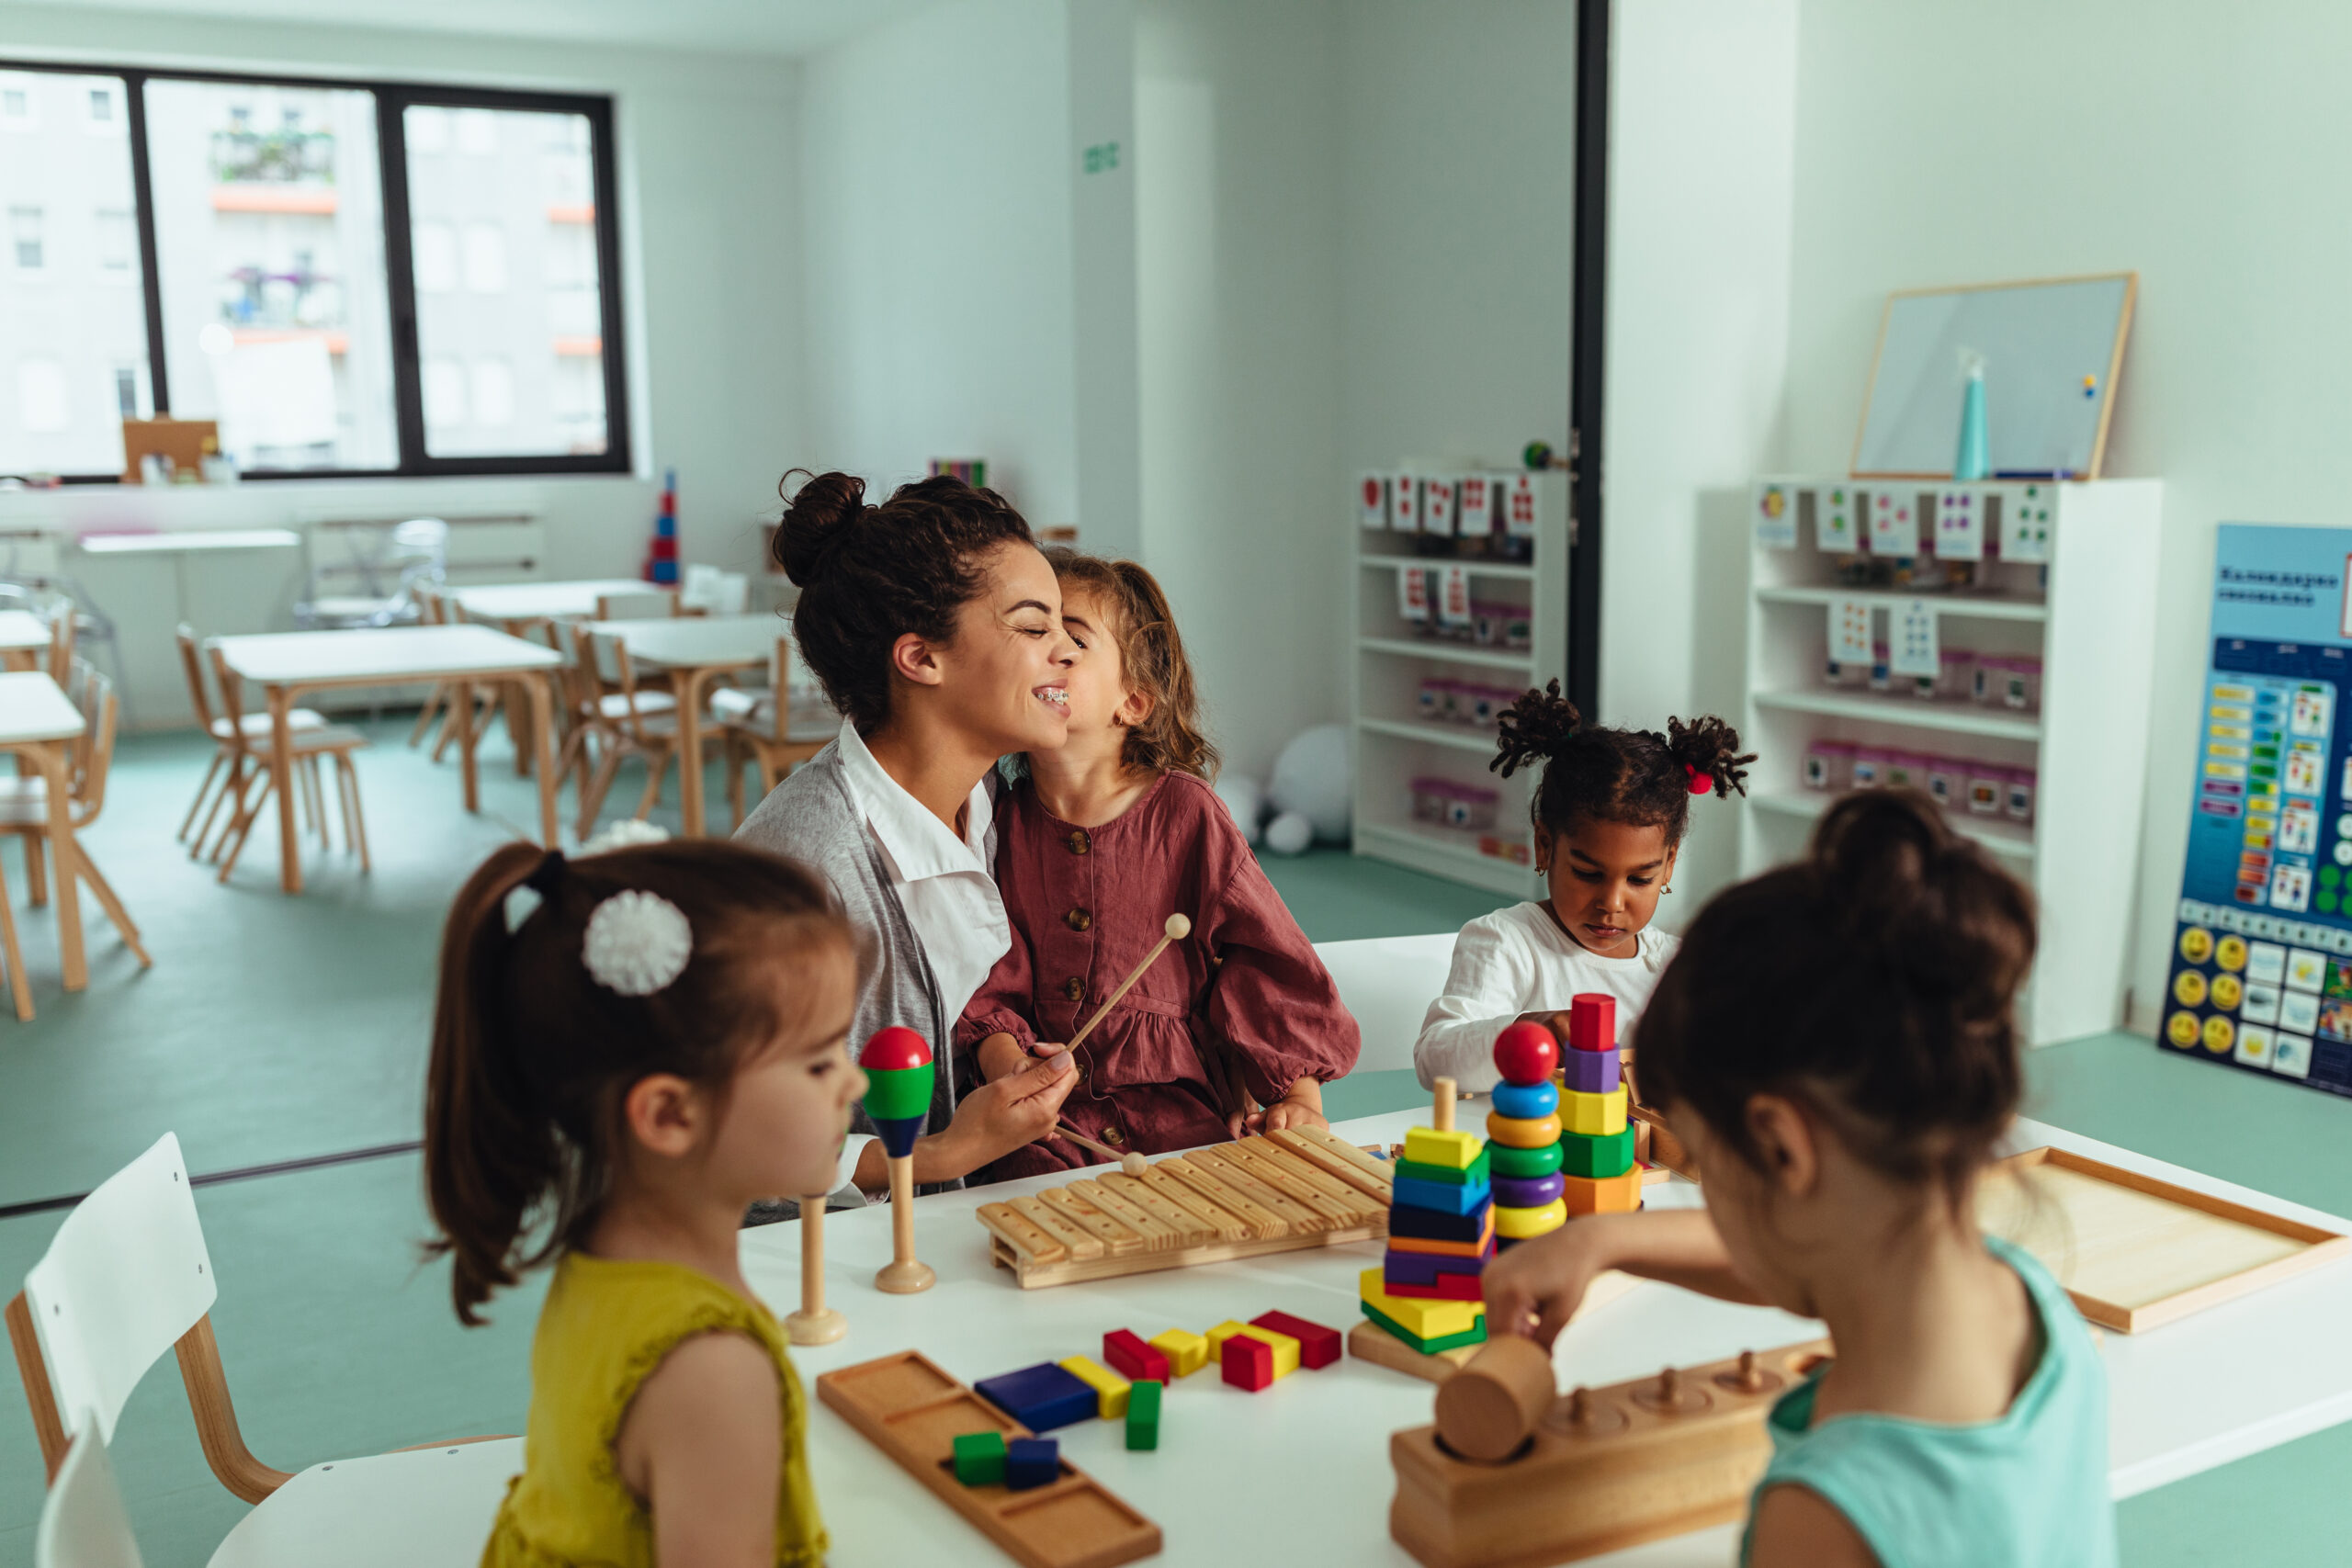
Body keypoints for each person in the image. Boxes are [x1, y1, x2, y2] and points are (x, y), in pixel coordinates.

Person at [1481, 791, 2115, 1568]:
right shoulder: (2032, 1304)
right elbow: (1815, 1254)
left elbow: (1794, 1254)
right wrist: (1600, 1239)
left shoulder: (1827, 1514)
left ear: (1782, 1149)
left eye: (1710, 1170)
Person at [424, 836, 856, 1568]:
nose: (855, 1083)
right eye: (819, 1061)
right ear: (668, 1114)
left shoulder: (604, 1260)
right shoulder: (715, 1371)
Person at [735, 471, 1082, 1205]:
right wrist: (939, 1153)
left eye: (1064, 625)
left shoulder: (998, 806)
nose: (1069, 651)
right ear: (922, 657)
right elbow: (734, 1135)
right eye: (1033, 625)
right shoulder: (803, 864)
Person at [956, 550, 1359, 1180]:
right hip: (1040, 1129)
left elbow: (1264, 957)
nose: (1049, 650)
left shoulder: (1186, 812)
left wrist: (1298, 1096)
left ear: (1133, 702)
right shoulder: (994, 818)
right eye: (1035, 632)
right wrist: (1005, 1061)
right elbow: (983, 972)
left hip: (1182, 1118)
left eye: (1074, 637)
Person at [1413, 681, 1749, 1090]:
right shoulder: (1507, 942)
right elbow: (1435, 1060)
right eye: (1588, 874)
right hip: (1519, 1151)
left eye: (1640, 879)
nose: (1611, 902)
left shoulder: (1675, 967)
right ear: (1544, 846)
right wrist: (1532, 1029)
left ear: (1669, 865)